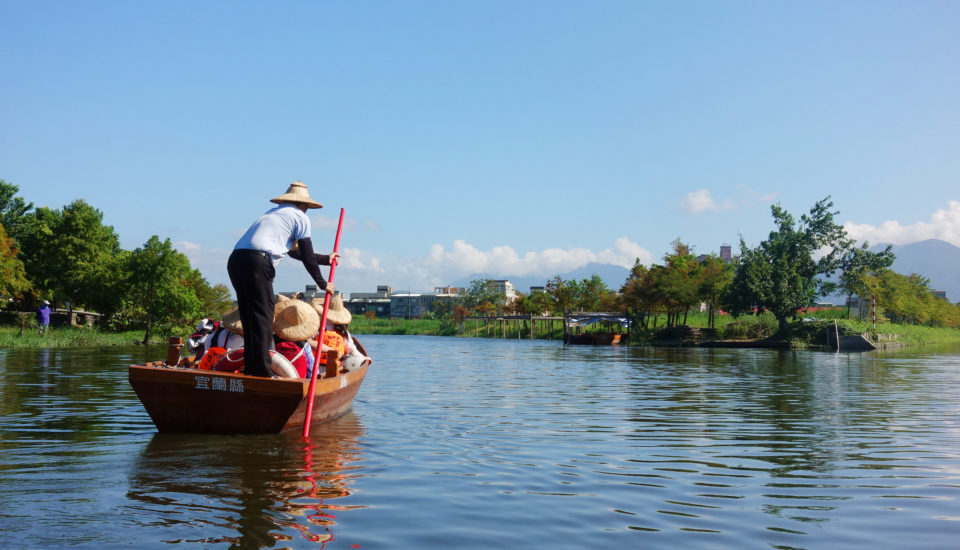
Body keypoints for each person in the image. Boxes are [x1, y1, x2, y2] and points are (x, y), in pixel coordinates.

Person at [227, 181, 339, 378]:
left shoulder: (274, 213)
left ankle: (253, 368)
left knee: (250, 317)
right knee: (263, 318)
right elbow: (306, 256)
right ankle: (261, 372)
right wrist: (323, 284)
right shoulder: (300, 217)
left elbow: (295, 252)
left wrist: (326, 259)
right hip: (257, 263)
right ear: (304, 205)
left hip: (236, 260)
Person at [273, 295, 320, 378]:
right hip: (298, 383)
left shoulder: (272, 340)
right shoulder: (305, 345)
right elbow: (313, 371)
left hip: (274, 381)